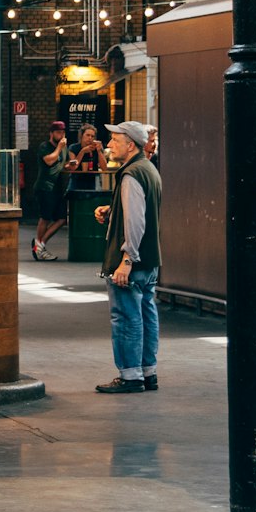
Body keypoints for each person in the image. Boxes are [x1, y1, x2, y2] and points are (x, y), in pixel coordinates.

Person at [92, 121, 162, 395]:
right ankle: (148, 372)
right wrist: (112, 212)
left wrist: (126, 260)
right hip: (151, 259)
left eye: (114, 140)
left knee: (126, 317)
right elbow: (141, 210)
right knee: (146, 312)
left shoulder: (131, 174)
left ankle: (130, 376)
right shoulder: (148, 169)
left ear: (130, 144)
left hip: (132, 262)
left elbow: (135, 221)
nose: (109, 145)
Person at [32, 121, 71, 260]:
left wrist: (70, 164)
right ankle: (39, 248)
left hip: (58, 188)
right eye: (58, 132)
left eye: (63, 132)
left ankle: (40, 245)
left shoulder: (64, 148)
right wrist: (59, 148)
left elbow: (64, 165)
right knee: (45, 218)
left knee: (62, 219)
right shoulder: (45, 146)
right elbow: (49, 161)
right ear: (52, 133)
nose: (61, 135)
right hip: (44, 187)